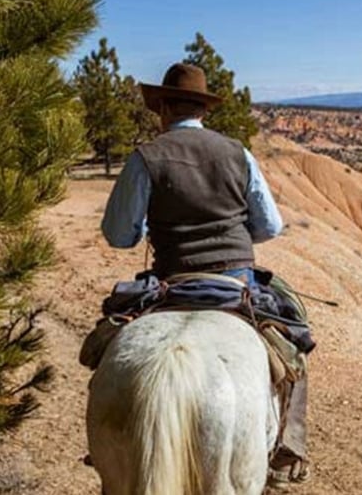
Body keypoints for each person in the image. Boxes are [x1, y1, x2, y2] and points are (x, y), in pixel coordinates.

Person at [101, 62, 309, 485]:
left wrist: (148, 225)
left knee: (103, 342)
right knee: (293, 342)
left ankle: (114, 444)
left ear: (162, 108)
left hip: (170, 280)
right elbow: (269, 226)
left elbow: (120, 235)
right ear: (204, 110)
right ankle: (288, 449)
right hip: (236, 279)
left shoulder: (146, 157)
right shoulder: (238, 153)